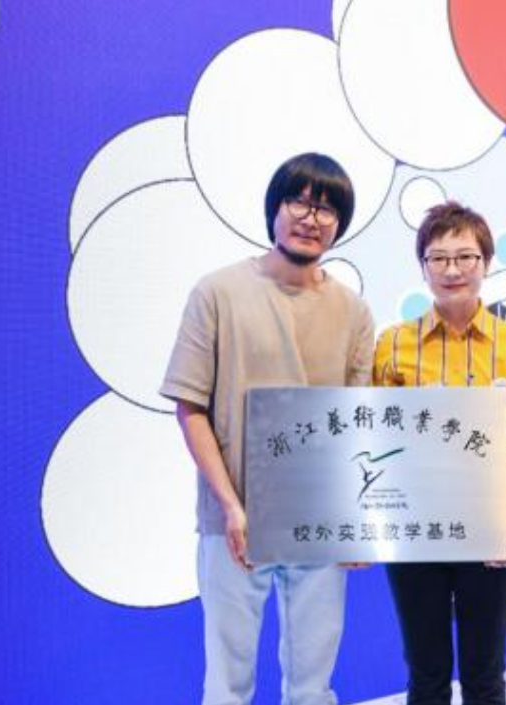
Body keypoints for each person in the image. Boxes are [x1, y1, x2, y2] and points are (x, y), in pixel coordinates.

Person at [160, 153, 375, 705]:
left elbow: (356, 422)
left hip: (319, 520)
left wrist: (356, 520)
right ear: (274, 208)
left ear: (340, 223)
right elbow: (190, 407)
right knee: (227, 684)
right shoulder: (217, 293)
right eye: (298, 202)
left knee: (312, 684)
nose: (310, 218)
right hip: (235, 519)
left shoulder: (353, 311)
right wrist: (231, 507)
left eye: (326, 209)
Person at [372, 201, 506, 705]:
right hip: (415, 531)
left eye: (465, 256)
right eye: (438, 258)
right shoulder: (392, 346)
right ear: (423, 267)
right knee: (425, 675)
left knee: (485, 674)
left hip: (488, 529)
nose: (452, 270)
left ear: (486, 262)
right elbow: (378, 442)